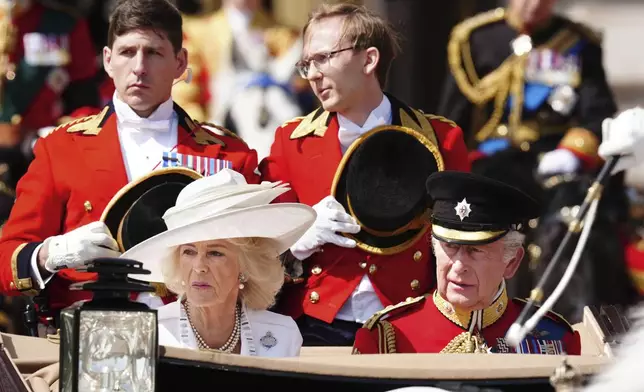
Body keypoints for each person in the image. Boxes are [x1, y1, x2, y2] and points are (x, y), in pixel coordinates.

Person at [0, 0, 259, 335]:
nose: (139, 66)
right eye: (127, 52)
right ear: (108, 60)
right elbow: (7, 258)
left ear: (180, 63)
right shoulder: (62, 147)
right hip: (90, 331)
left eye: (153, 52)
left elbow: (258, 263)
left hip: (197, 335)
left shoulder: (229, 155)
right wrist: (53, 253)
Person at [259, 3, 470, 346]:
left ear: (369, 60)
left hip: (410, 323)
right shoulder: (290, 142)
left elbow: (462, 246)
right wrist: (296, 241)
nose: (312, 74)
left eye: (323, 58)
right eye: (306, 63)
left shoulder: (440, 139)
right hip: (313, 327)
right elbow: (258, 251)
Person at [351, 171, 581, 355]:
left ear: (511, 262)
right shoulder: (386, 337)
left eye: (475, 251)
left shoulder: (555, 338)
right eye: (450, 247)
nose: (459, 265)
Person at [120, 168, 316, 356]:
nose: (199, 267)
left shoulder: (282, 335)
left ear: (246, 266)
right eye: (189, 251)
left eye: (215, 253)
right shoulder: (146, 333)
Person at [172, 0, 308, 160]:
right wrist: (199, 134)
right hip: (213, 131)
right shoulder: (195, 33)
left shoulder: (287, 36)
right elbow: (185, 93)